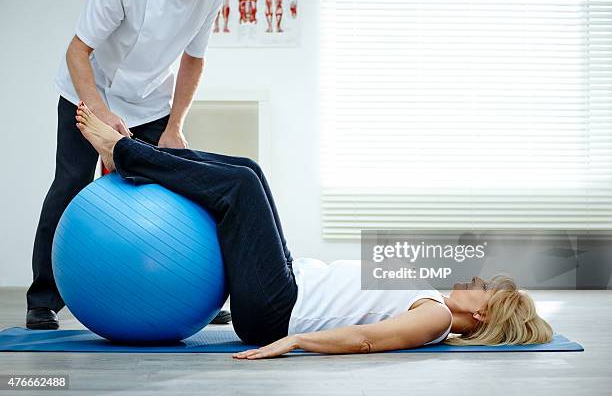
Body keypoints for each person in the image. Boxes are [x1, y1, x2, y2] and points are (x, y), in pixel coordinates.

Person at [73, 102, 554, 358]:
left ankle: (128, 154)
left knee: (239, 185)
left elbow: (368, 339)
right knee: (249, 171)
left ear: (484, 318)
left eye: (485, 291)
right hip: (285, 286)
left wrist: (296, 342)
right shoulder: (434, 303)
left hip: (277, 310)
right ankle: (134, 157)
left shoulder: (437, 319)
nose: (476, 282)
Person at [26, 0, 232, 330]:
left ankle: (202, 295)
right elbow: (78, 51)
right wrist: (99, 111)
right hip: (89, 89)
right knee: (70, 183)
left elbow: (194, 59)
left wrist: (175, 126)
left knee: (187, 184)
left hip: (150, 102)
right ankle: (43, 300)